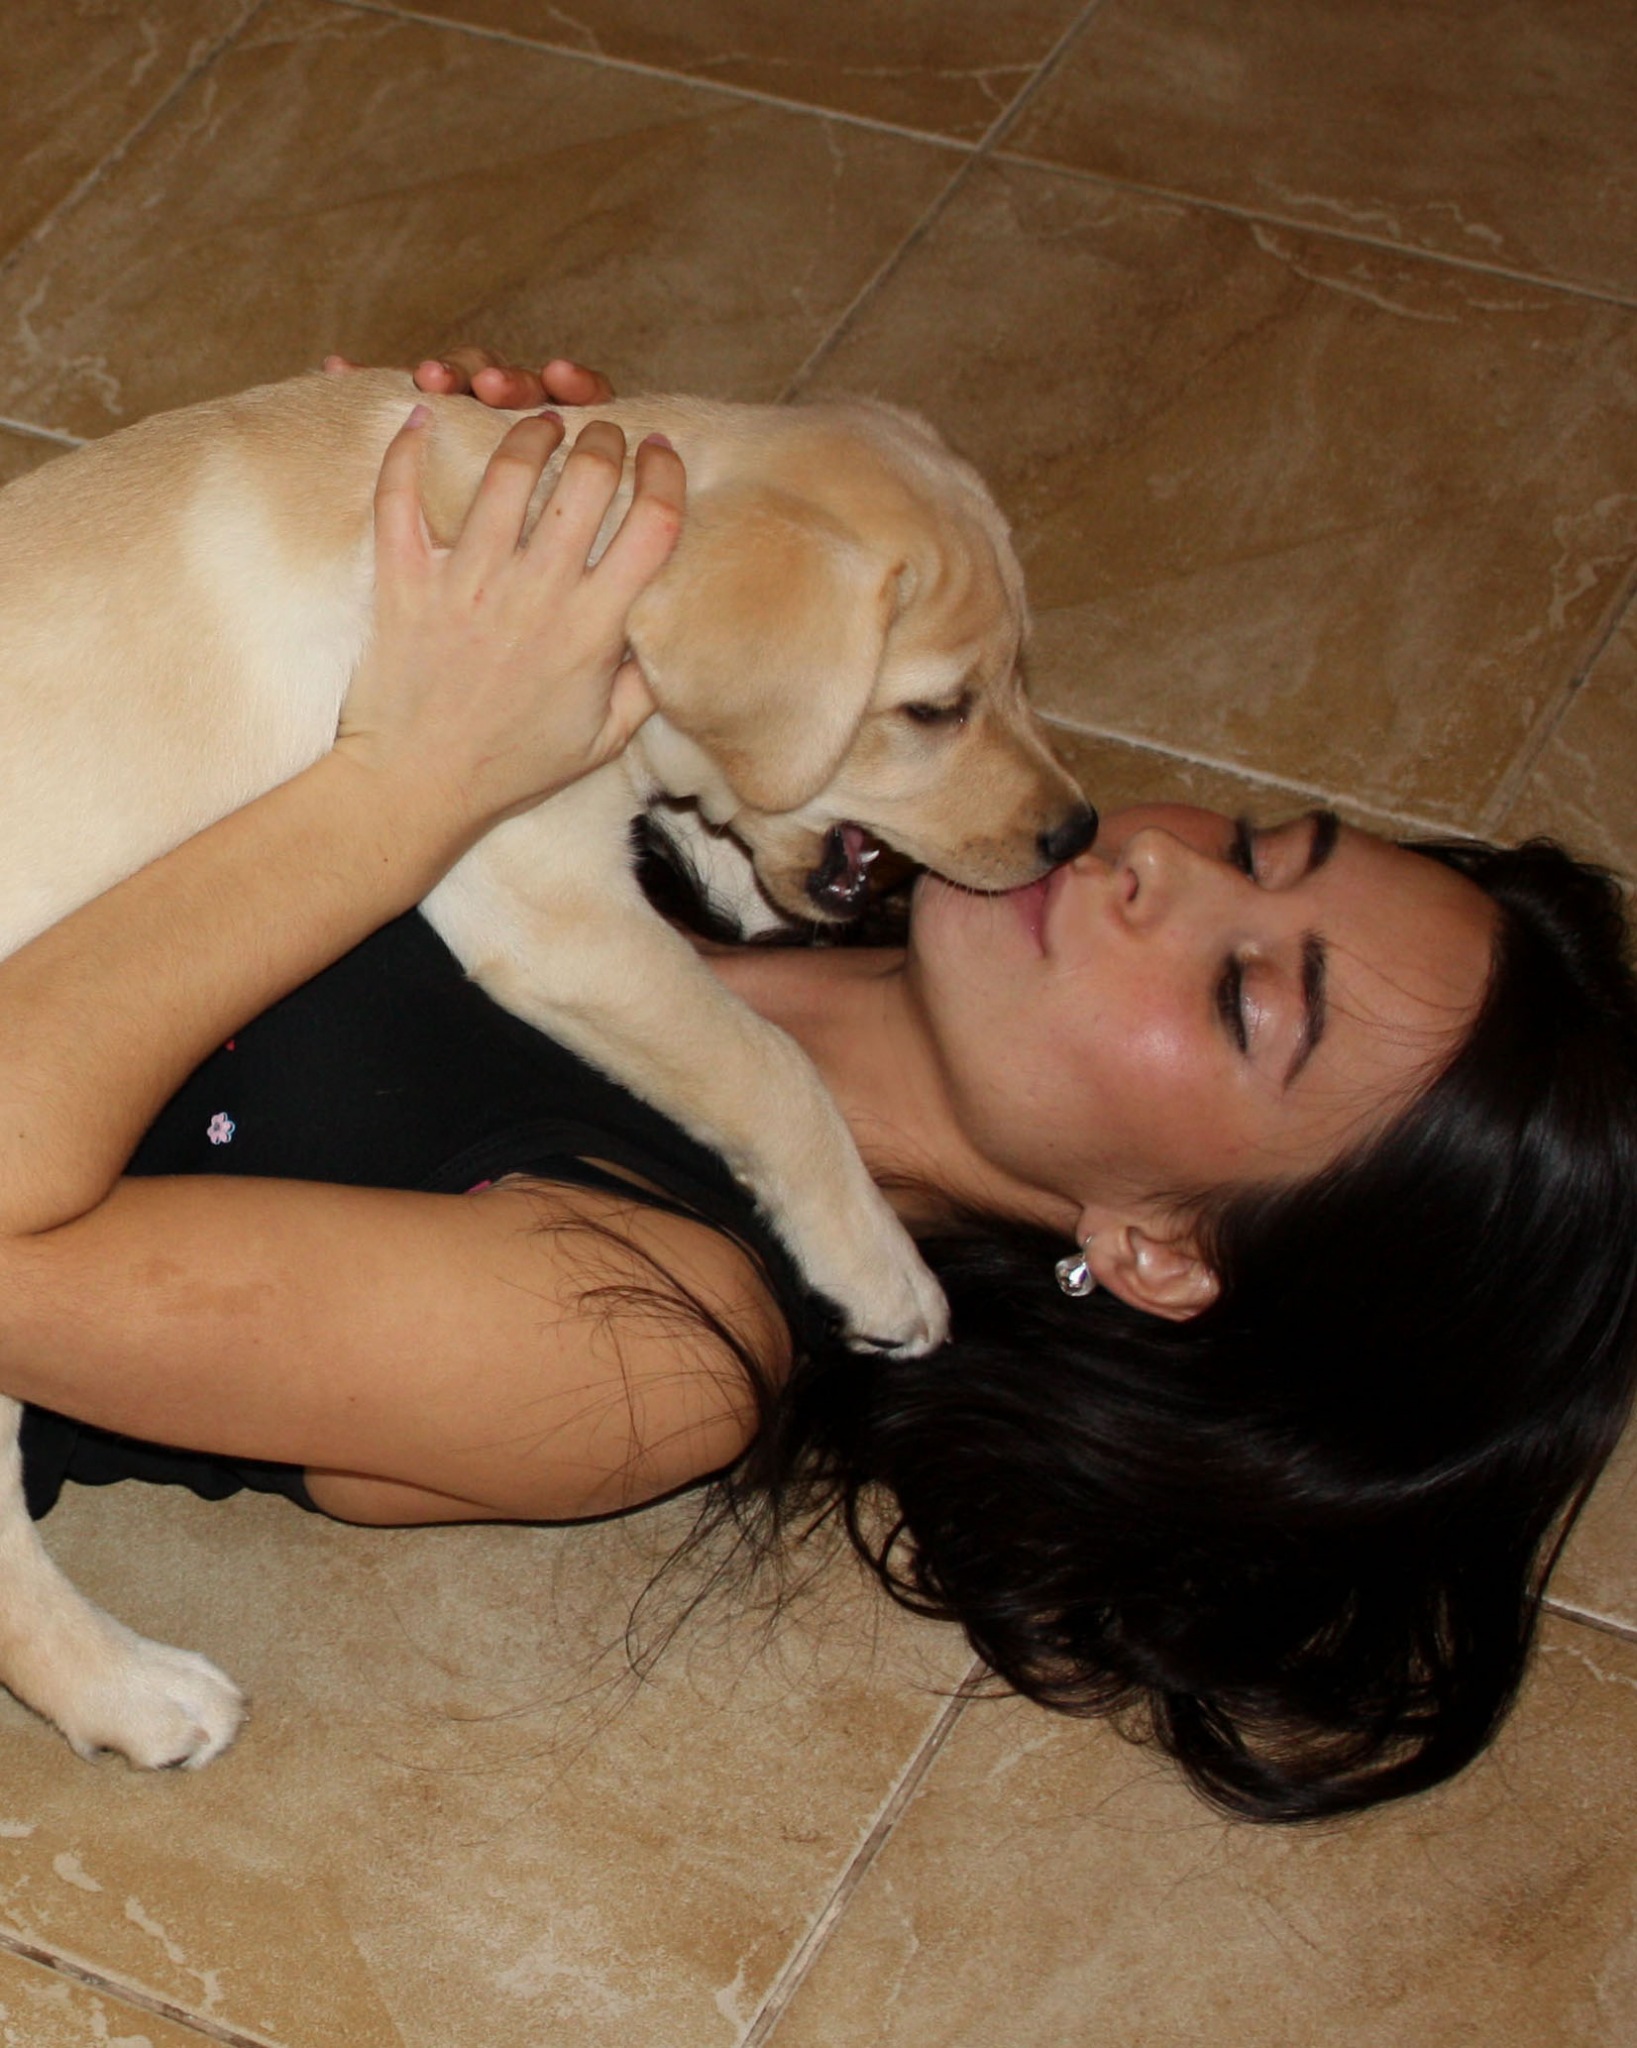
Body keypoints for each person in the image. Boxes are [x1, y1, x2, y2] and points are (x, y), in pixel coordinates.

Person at [0, 351, 1633, 1827]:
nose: (1152, 864)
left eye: (1239, 997)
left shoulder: (643, 1350)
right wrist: (529, 523)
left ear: (1159, 1248)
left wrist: (409, 776)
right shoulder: (742, 813)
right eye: (1256, 849)